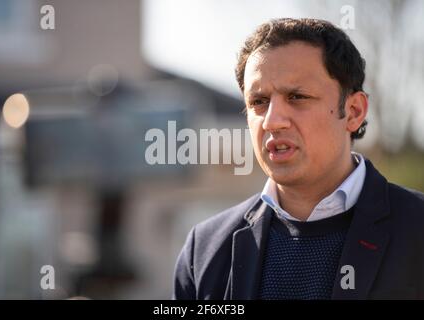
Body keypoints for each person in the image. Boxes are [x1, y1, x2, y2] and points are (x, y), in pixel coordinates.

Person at [173, 18, 424, 300]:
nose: (272, 121)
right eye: (258, 101)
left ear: (353, 111)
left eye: (297, 96)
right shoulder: (205, 249)